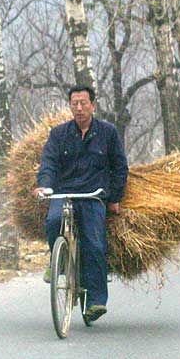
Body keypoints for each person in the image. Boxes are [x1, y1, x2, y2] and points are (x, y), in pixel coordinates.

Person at [33, 85, 129, 322]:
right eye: (74, 103)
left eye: (83, 103)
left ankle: (96, 300)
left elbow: (120, 167)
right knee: (54, 220)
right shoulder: (58, 134)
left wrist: (114, 198)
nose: (79, 108)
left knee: (94, 243)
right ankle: (59, 261)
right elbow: (49, 163)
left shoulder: (108, 133)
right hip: (64, 194)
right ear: (70, 106)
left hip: (93, 195)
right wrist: (44, 186)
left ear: (93, 105)